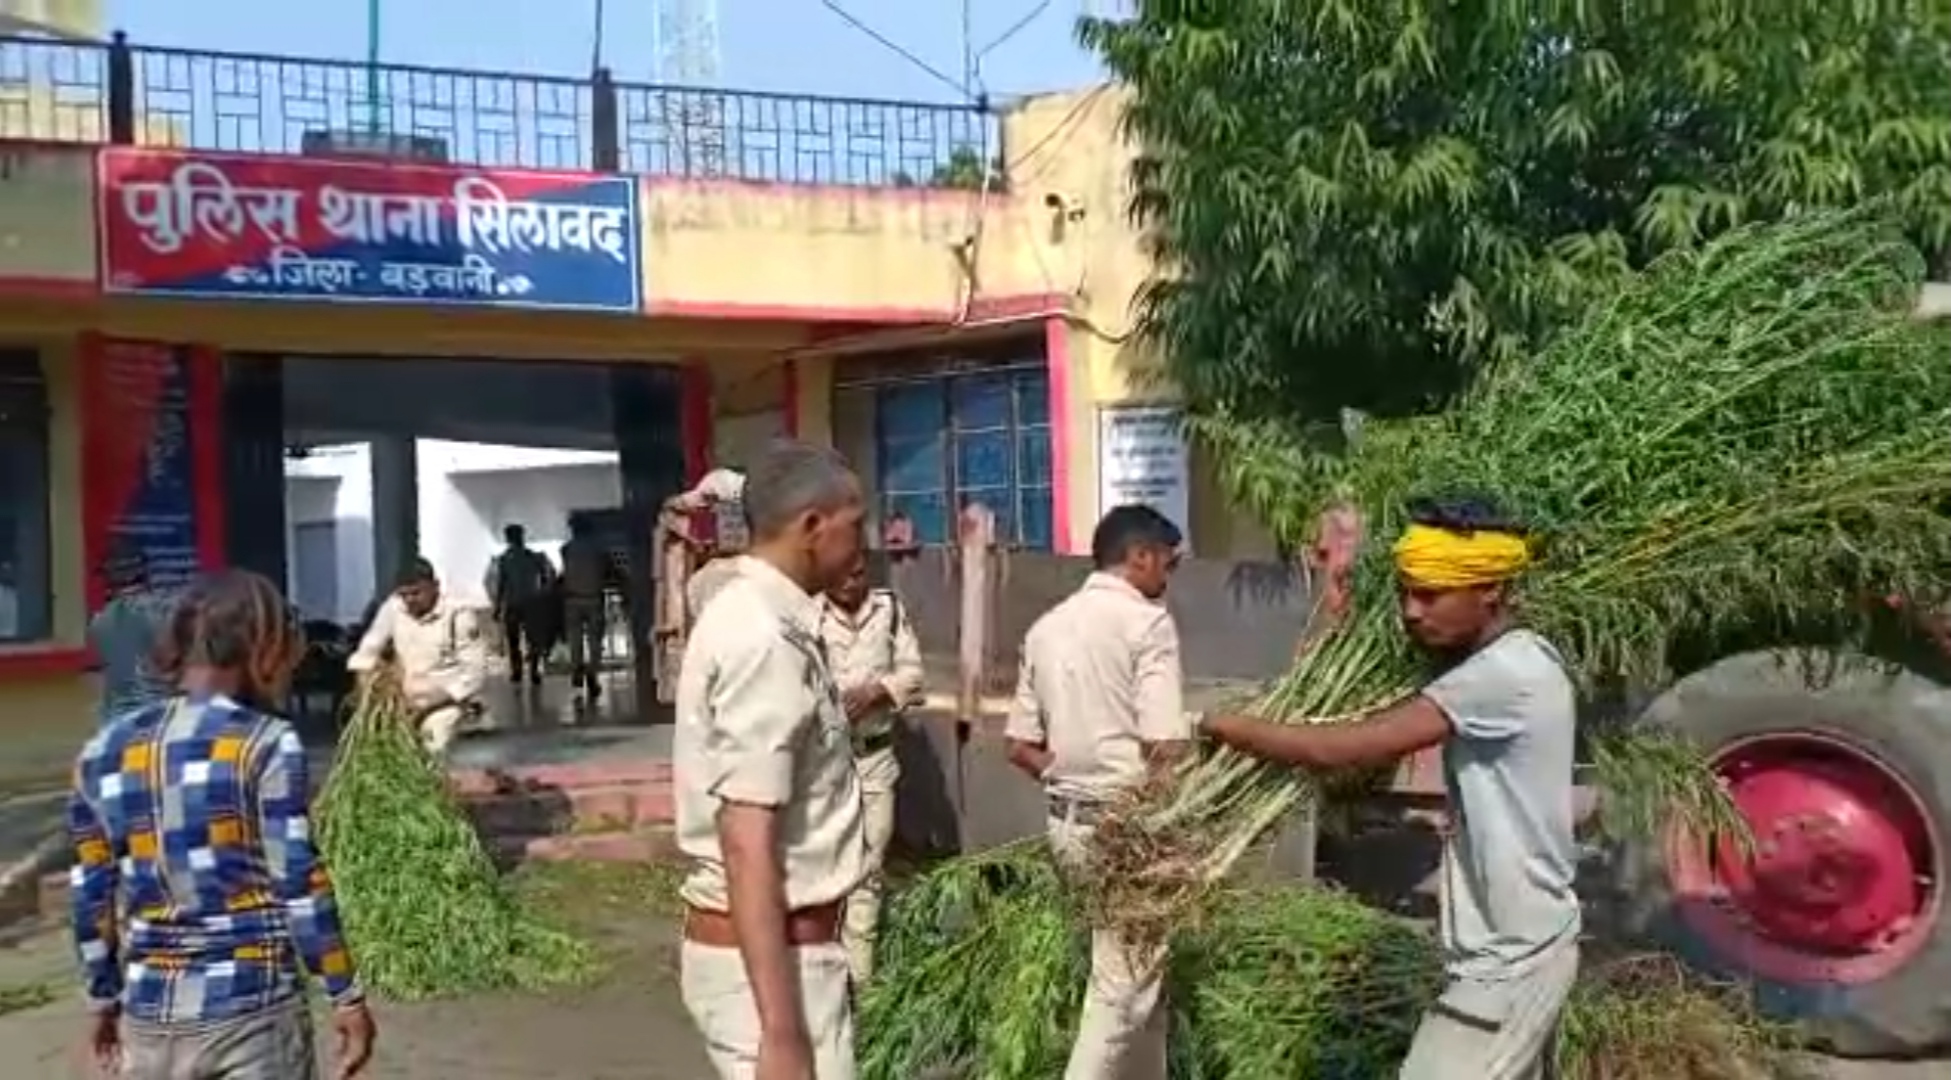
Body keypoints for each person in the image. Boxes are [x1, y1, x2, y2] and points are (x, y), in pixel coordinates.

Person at [1199, 494, 1580, 1080]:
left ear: (1491, 592)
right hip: (1521, 947)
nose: (1410, 611)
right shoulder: (1520, 657)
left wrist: (1227, 724)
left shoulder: (1499, 676)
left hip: (1507, 964)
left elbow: (1340, 749)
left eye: (1430, 595)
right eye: (1405, 592)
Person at [66, 569, 377, 1079]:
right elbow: (298, 881)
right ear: (265, 647)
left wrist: (103, 1001)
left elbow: (91, 899)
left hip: (150, 1023)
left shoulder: (102, 753)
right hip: (253, 1016)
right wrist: (345, 994)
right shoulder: (266, 744)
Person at [673, 440, 869, 1080]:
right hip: (777, 965)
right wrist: (782, 1033)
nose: (864, 543)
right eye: (855, 523)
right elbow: (745, 838)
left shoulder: (769, 618)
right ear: (813, 526)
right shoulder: (762, 635)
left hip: (790, 958)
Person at [1003, 504, 1190, 1080]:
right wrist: (1167, 819)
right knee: (1121, 987)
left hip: (1068, 827)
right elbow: (1164, 745)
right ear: (1140, 556)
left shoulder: (1046, 627)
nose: (1169, 577)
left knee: (1136, 976)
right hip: (1127, 828)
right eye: (1168, 562)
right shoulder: (1147, 624)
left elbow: (1018, 745)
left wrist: (1068, 775)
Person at [819, 554, 925, 983]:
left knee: (870, 867)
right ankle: (823, 970)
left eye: (857, 574)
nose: (849, 584)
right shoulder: (807, 616)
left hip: (876, 759)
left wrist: (880, 691)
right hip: (825, 764)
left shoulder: (890, 610)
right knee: (825, 866)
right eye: (839, 576)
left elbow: (915, 675)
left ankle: (861, 982)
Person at [346, 558, 489, 757]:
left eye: (416, 593)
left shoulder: (458, 614)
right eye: (404, 594)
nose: (410, 600)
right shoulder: (393, 608)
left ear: (435, 587)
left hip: (446, 705)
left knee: (434, 743)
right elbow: (369, 649)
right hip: (404, 706)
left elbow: (475, 672)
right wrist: (367, 682)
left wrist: (431, 704)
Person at [86, 545, 174, 727]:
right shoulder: (164, 611)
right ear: (145, 574)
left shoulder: (99, 622)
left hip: (115, 722)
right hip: (157, 718)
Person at [485, 523, 557, 686]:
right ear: (521, 537)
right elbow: (546, 575)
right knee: (533, 639)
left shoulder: (504, 560)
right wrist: (544, 592)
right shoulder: (532, 556)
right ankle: (533, 671)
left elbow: (501, 584)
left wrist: (497, 607)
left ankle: (517, 671)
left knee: (513, 640)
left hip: (513, 603)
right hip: (531, 602)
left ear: (508, 539)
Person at [558, 513, 613, 704]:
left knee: (575, 640)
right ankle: (592, 673)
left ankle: (577, 671)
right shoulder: (599, 550)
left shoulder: (565, 549)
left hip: (572, 600)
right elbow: (610, 571)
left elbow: (564, 574)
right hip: (594, 598)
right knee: (595, 640)